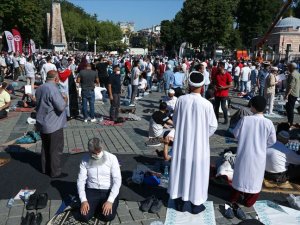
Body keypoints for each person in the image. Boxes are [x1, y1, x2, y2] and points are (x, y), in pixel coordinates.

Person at [168, 71, 218, 214]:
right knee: (198, 173)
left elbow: (176, 121)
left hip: (183, 144)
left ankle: (180, 201)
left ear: (189, 84)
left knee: (181, 170)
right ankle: (196, 204)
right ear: (202, 86)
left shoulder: (181, 100)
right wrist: (202, 136)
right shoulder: (207, 104)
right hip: (199, 147)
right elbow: (213, 126)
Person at [225, 96, 276, 219]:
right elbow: (272, 141)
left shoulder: (245, 120)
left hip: (244, 153)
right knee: (255, 179)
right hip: (259, 156)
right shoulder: (268, 123)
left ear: (252, 106)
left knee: (240, 177)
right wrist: (261, 144)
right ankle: (248, 200)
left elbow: (236, 134)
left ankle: (234, 200)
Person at [77, 138, 121, 224]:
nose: (97, 155)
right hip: (92, 190)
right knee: (84, 216)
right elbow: (81, 181)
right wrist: (83, 200)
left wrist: (110, 201)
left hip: (107, 190)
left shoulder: (112, 158)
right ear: (89, 150)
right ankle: (96, 207)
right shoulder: (84, 159)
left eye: (99, 152)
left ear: (102, 148)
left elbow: (117, 180)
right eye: (94, 153)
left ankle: (98, 207)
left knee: (108, 216)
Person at [35, 70, 68, 178]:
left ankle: (45, 168)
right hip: (54, 124)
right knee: (55, 149)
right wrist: (65, 99)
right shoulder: (53, 89)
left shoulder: (40, 87)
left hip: (42, 122)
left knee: (45, 148)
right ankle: (55, 172)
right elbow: (60, 106)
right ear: (56, 78)